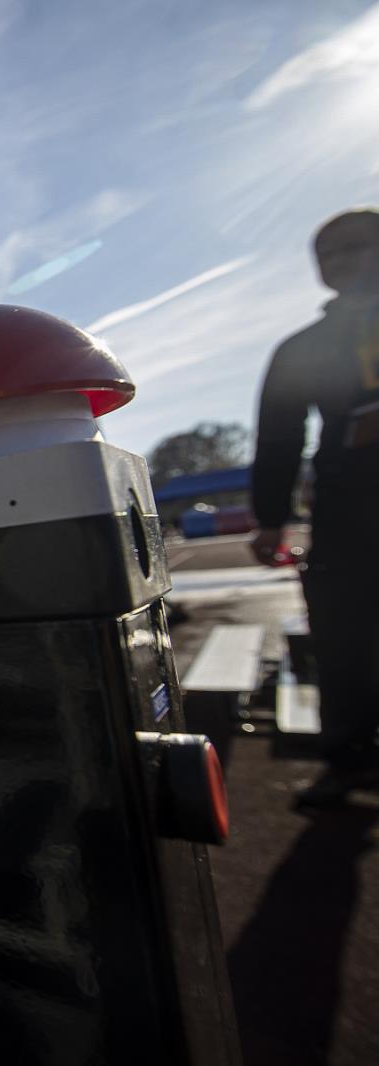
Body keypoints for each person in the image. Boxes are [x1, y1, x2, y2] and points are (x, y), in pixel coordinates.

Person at [251, 207, 379, 809]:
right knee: (343, 633)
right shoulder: (306, 348)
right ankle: (351, 757)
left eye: (357, 247)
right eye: (329, 254)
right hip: (348, 507)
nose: (342, 262)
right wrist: (270, 519)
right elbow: (279, 437)